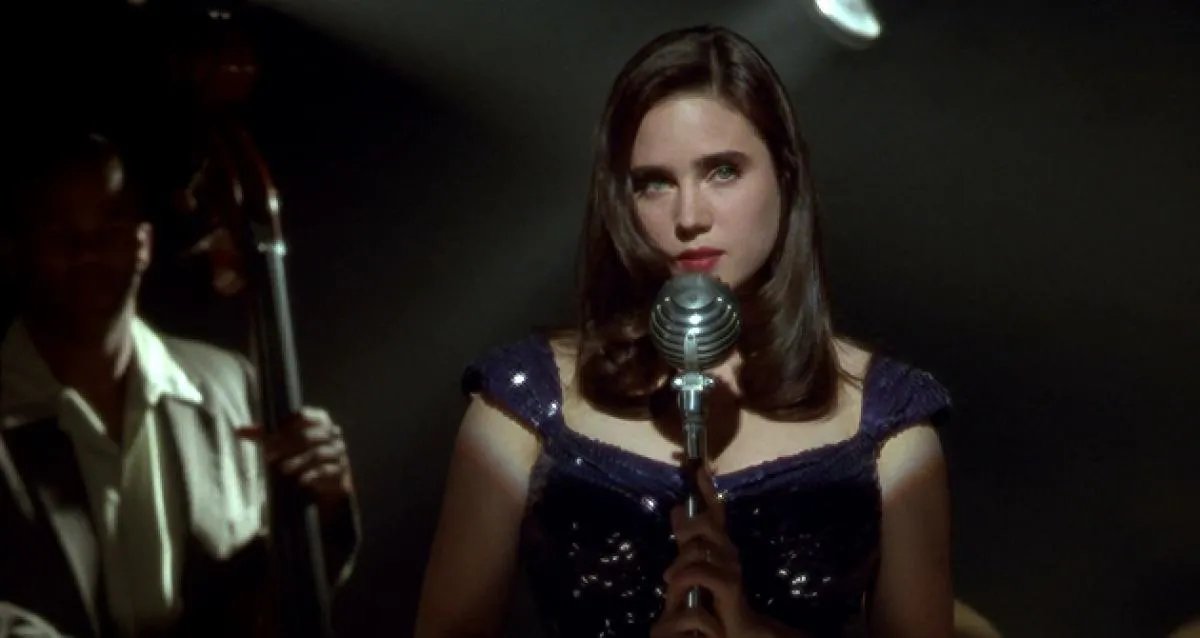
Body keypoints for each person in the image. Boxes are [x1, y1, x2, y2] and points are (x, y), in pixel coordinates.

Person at [415, 25, 952, 638]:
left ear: (786, 175)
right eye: (655, 183)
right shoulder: (524, 401)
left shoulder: (889, 421)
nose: (689, 217)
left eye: (722, 171)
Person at [0, 132, 359, 638]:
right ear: (13, 251)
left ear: (143, 244)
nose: (88, 249)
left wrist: (325, 506)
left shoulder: (231, 384)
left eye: (110, 224)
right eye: (59, 230)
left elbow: (275, 597)